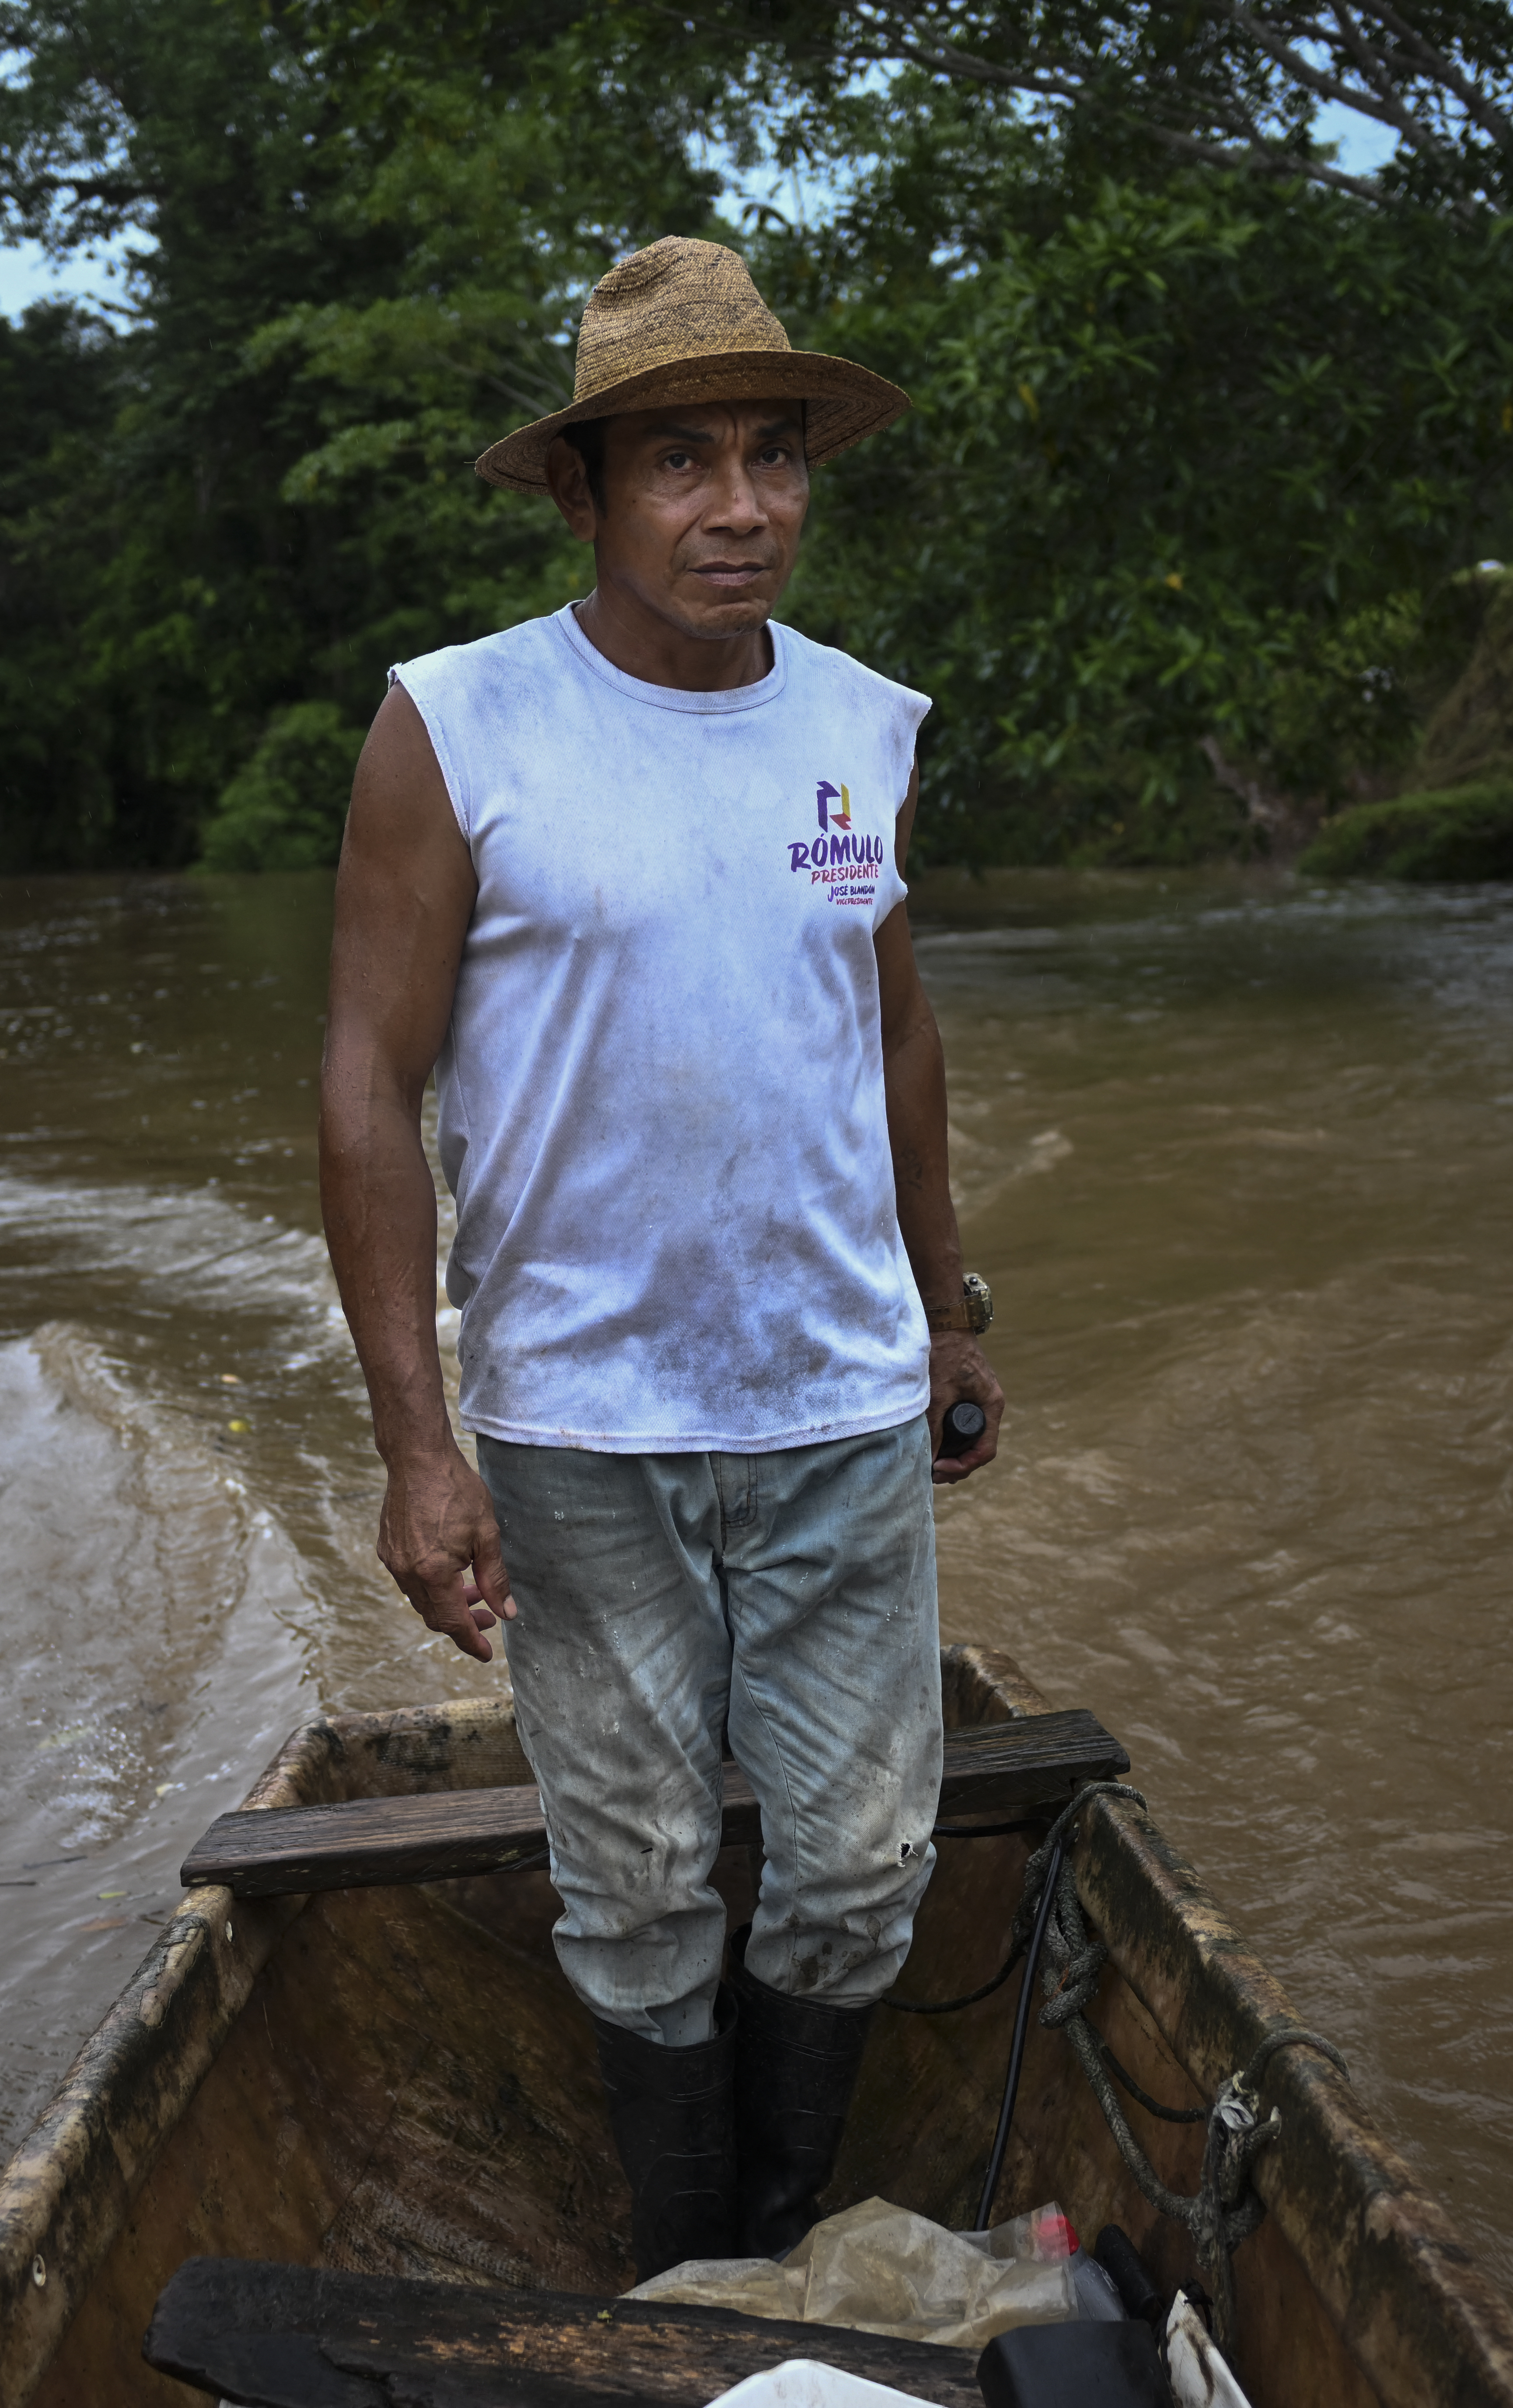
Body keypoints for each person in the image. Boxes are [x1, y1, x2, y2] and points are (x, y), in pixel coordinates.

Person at [316, 237, 1006, 2279]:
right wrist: (416, 1445)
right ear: (586, 495)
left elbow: (889, 1025)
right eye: (685, 462)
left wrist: (948, 1299)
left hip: (838, 1399)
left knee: (865, 1863)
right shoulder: (457, 728)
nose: (743, 509)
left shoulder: (861, 726)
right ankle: (682, 2261)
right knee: (630, 1877)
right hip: (582, 1423)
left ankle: (778, 2233)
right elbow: (367, 1079)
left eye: (775, 459)